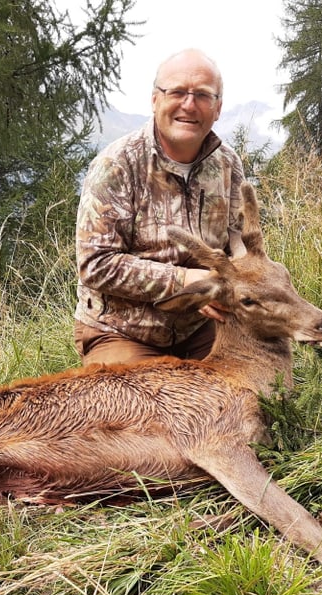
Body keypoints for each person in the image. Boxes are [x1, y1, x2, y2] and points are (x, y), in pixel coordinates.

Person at [74, 48, 247, 366]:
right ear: (155, 99)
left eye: (203, 95)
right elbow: (95, 264)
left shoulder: (228, 164)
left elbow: (239, 240)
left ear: (218, 108)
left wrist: (237, 279)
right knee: (140, 409)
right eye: (177, 92)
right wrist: (185, 283)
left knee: (251, 392)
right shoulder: (117, 164)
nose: (189, 105)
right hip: (123, 331)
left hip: (202, 327)